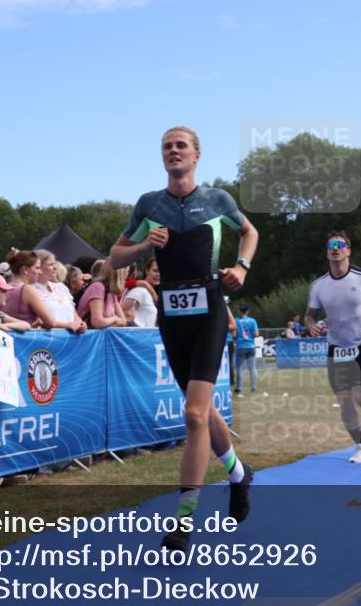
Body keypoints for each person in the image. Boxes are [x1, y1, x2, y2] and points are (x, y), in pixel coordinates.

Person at [107, 126, 258, 552]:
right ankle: (238, 474)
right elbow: (113, 257)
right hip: (172, 317)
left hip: (209, 306)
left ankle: (184, 520)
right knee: (203, 410)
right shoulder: (149, 205)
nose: (173, 152)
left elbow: (250, 232)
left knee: (193, 414)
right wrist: (142, 248)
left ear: (197, 155)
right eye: (166, 147)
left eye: (180, 146)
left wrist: (241, 266)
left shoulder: (218, 200)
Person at [305, 230, 361, 464]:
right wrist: (312, 326)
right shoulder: (318, 285)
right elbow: (309, 316)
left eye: (340, 245)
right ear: (327, 252)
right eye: (331, 245)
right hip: (337, 346)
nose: (335, 248)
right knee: (344, 399)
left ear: (348, 251)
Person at [4, 249, 86, 333]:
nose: (39, 272)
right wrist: (70, 325)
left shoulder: (7, 286)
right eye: (37, 268)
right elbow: (51, 323)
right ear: (25, 269)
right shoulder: (27, 289)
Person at [34, 250, 81, 327]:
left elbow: (74, 315)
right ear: (39, 266)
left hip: (70, 337)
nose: (55, 267)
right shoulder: (31, 290)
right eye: (50, 264)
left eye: (55, 264)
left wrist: (81, 324)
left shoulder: (61, 287)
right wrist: (69, 325)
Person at [78, 260, 129, 329]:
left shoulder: (111, 292)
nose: (127, 275)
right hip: (88, 337)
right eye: (126, 270)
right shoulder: (98, 287)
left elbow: (123, 321)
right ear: (118, 274)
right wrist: (114, 318)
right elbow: (97, 322)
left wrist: (108, 322)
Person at [121, 256, 160, 327]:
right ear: (147, 271)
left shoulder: (153, 294)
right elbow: (120, 312)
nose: (158, 274)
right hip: (136, 335)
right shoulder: (140, 291)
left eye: (161, 271)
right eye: (155, 270)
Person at [234, 305, 259, 396]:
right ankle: (253, 387)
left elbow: (234, 334)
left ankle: (239, 388)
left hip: (241, 346)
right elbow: (256, 334)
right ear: (247, 311)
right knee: (252, 368)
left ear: (240, 311)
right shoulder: (252, 320)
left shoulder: (236, 320)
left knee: (240, 368)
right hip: (251, 345)